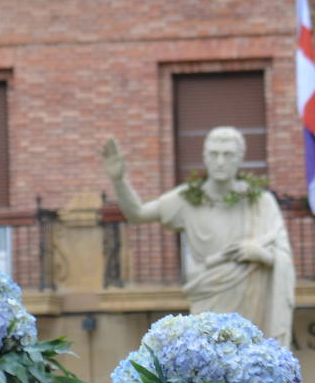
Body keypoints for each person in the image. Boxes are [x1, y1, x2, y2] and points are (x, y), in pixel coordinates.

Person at [103, 127, 295, 346]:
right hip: (208, 297)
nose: (220, 161)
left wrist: (261, 255)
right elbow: (137, 214)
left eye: (228, 154)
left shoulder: (261, 202)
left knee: (250, 361)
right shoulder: (187, 199)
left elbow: (282, 253)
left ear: (240, 159)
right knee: (209, 362)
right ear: (204, 158)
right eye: (214, 154)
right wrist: (119, 181)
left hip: (254, 298)